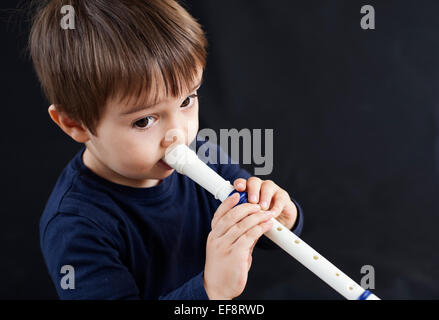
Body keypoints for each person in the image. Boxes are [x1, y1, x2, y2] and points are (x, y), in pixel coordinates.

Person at [29, 0, 304, 299]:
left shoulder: (202, 156)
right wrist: (210, 290)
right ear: (75, 123)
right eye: (144, 120)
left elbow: (260, 229)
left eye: (187, 101)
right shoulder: (75, 226)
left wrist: (280, 218)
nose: (178, 135)